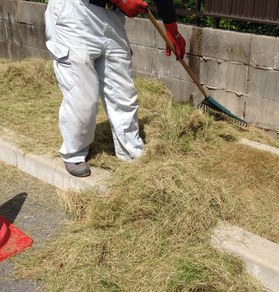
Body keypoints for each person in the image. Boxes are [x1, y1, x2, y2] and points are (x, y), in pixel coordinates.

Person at [45, 0, 186, 177]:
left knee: (123, 93)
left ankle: (131, 152)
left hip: (113, 17)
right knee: (83, 97)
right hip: (75, 12)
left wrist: (172, 28)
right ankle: (74, 152)